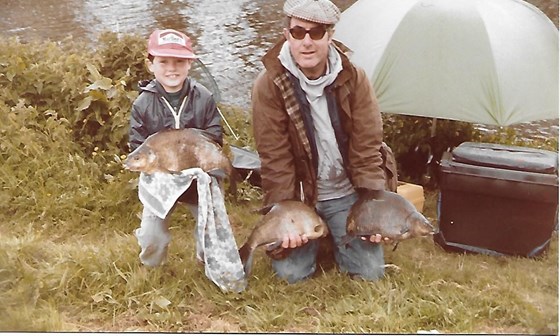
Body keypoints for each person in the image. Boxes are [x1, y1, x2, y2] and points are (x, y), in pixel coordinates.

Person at [251, 0, 397, 283]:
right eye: (298, 32)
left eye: (316, 33)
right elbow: (274, 158)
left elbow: (367, 149)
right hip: (301, 197)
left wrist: (372, 206)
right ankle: (323, 238)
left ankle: (333, 234)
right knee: (291, 275)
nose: (307, 42)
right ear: (286, 35)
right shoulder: (268, 85)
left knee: (370, 273)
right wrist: (285, 213)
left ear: (330, 36)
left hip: (346, 192)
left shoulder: (355, 78)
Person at [129, 28, 223, 267]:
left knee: (210, 230)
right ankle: (151, 268)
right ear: (150, 64)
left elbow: (214, 137)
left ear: (190, 64)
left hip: (197, 178)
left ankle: (207, 264)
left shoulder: (203, 97)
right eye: (163, 61)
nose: (172, 68)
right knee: (152, 234)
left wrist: (199, 163)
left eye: (179, 61)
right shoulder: (142, 103)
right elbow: (137, 144)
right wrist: (160, 169)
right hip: (159, 178)